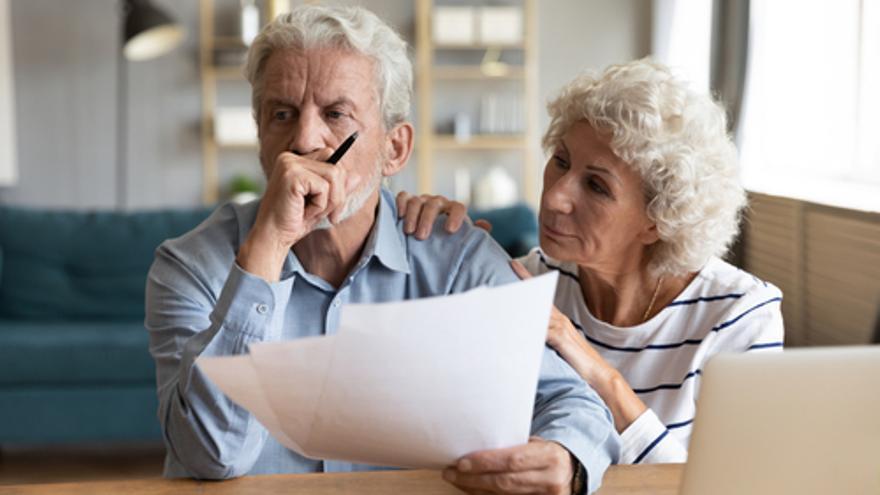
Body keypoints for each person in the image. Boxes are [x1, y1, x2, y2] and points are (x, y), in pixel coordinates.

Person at [145, 5, 618, 494]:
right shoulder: (190, 267)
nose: (304, 139)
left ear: (395, 148)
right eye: (282, 114)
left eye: (335, 114)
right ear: (261, 133)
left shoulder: (458, 261)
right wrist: (267, 247)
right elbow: (210, 455)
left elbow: (572, 403)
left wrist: (565, 458)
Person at [396, 58, 785, 464]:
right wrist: (432, 250)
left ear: (657, 221)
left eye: (597, 186)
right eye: (561, 161)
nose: (554, 197)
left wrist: (594, 367)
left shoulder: (741, 316)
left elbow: (731, 486)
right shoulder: (532, 278)